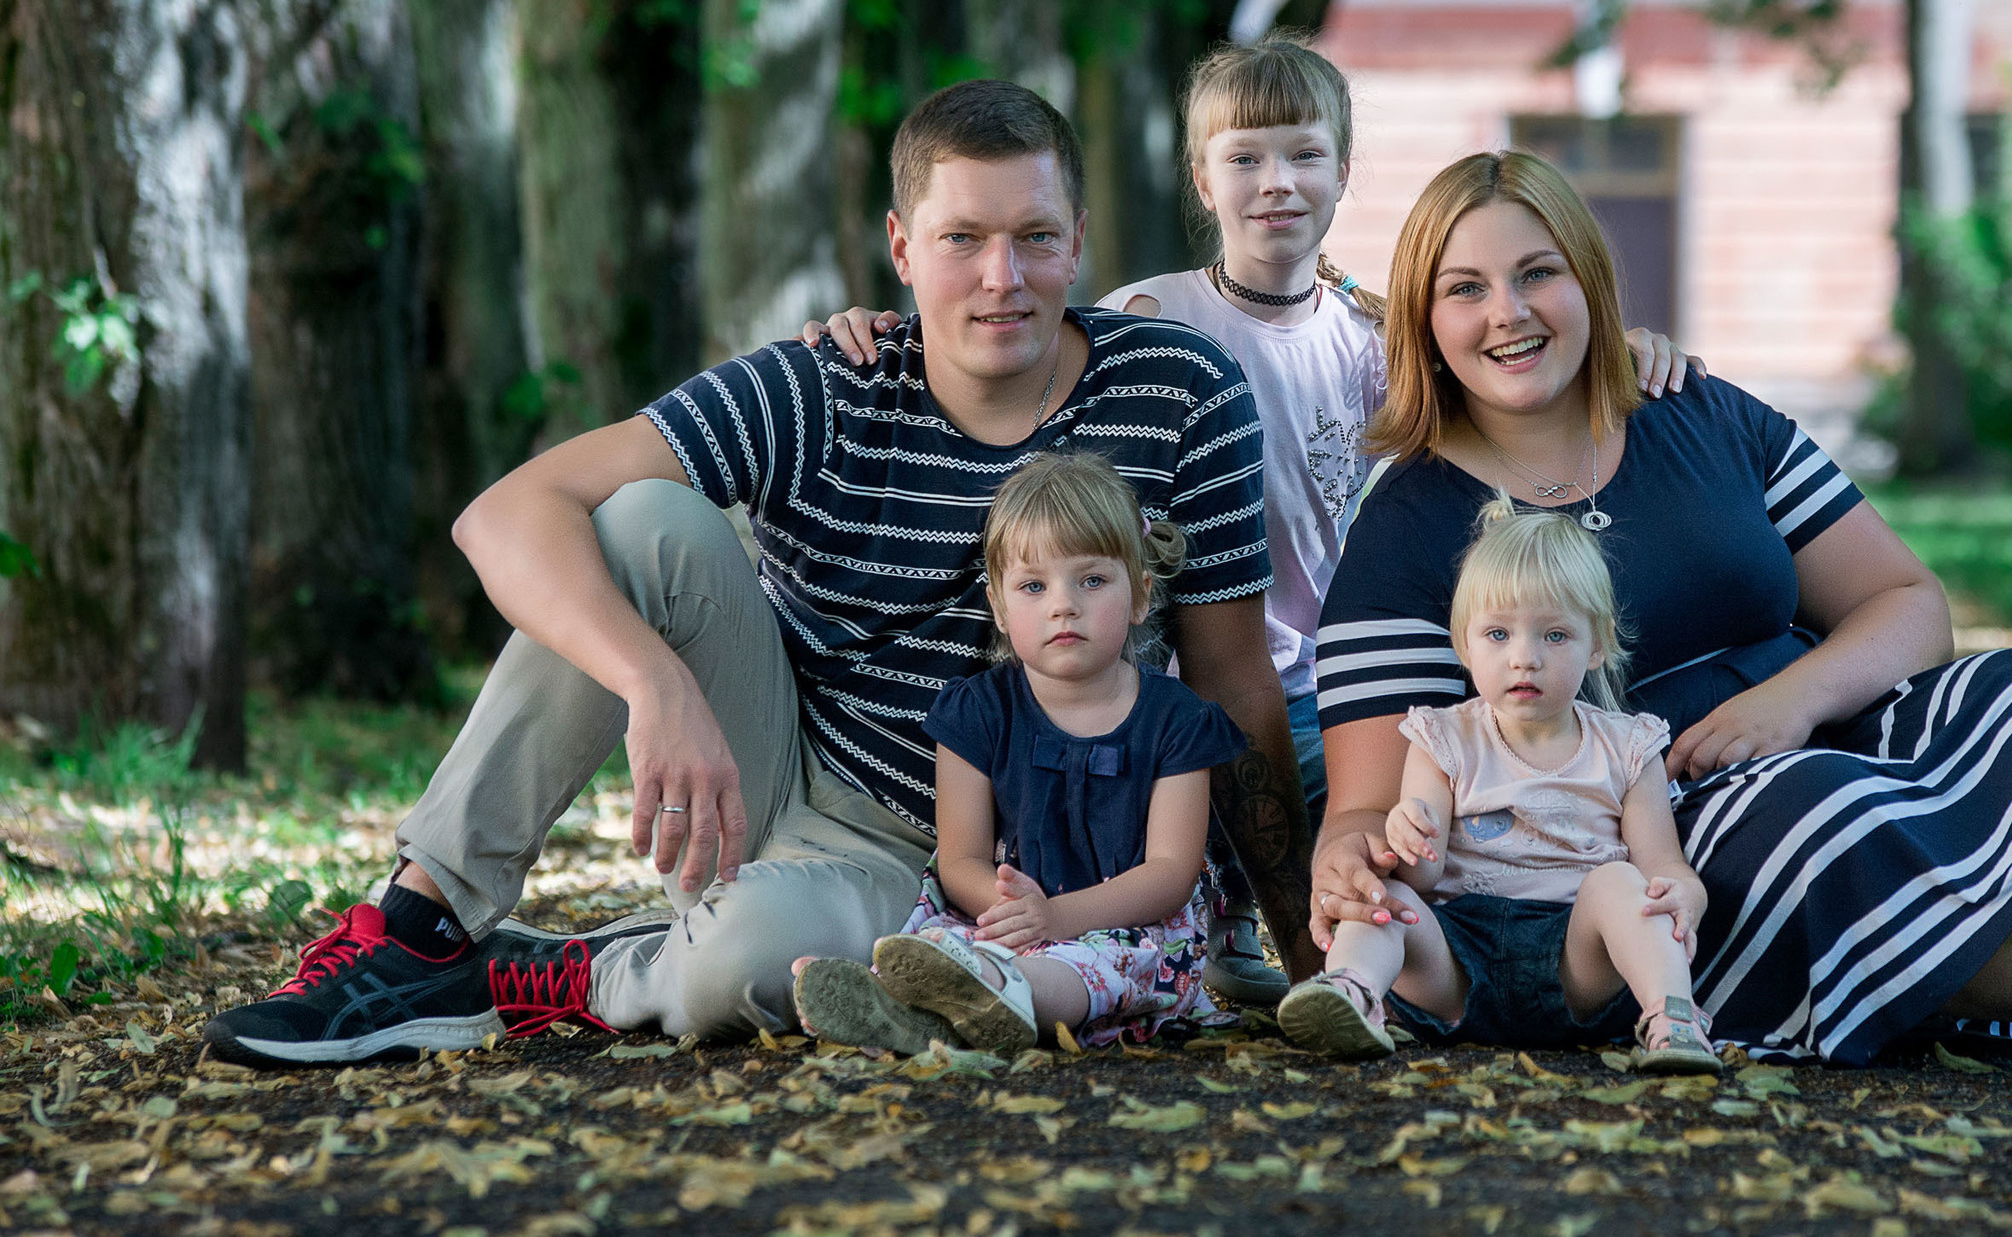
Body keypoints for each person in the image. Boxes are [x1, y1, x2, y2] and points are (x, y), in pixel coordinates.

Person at [203, 80, 1313, 1067]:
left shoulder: (1177, 391)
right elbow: (503, 516)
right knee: (636, 518)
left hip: (982, 866)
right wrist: (655, 685)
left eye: (1032, 236)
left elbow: (1232, 677)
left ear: (1077, 239)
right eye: (961, 238)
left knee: (739, 966)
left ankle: (541, 973)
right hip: (779, 777)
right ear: (900, 247)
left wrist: (1304, 947)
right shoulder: (823, 384)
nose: (999, 278)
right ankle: (422, 925)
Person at [1307, 150, 2012, 1094]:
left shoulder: (1703, 415)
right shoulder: (1410, 525)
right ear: (1424, 324)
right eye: (1465, 290)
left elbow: (1907, 604)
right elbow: (1364, 805)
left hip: (1811, 714)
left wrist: (1792, 700)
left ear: (1588, 278)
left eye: (1537, 273)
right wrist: (1352, 862)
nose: (1509, 312)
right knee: (1821, 804)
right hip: (1646, 821)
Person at [805, 32, 1693, 1006]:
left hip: (1316, 668)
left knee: (1389, 832)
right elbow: (1011, 344)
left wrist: (1622, 347)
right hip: (1183, 660)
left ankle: (1446, 950)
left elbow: (1499, 370)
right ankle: (1181, 939)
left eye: (1304, 155)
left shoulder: (1367, 338)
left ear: (1344, 171)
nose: (1276, 182)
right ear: (1201, 178)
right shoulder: (1152, 317)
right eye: (1244, 158)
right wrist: (878, 328)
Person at [796, 454, 1246, 1051]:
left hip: (1132, 934)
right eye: (1034, 586)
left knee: (1076, 972)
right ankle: (908, 1002)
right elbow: (959, 862)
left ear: (1140, 595)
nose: (1064, 605)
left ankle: (994, 999)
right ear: (1002, 609)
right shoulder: (977, 712)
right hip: (1007, 919)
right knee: (942, 947)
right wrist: (1016, 913)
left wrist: (1056, 919)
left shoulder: (1177, 721)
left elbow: (1169, 874)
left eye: (1092, 580)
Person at [1276, 502, 1716, 1073]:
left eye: (1555, 634)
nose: (1524, 658)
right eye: (1498, 633)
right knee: (1395, 902)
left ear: (1598, 644)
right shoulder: (1441, 739)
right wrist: (1408, 834)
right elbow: (1423, 876)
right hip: (1458, 962)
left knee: (1620, 884)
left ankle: (1671, 1018)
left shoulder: (1627, 747)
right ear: (1464, 644)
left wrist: (1688, 895)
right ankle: (1353, 993)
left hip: (1576, 964)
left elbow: (1663, 866)